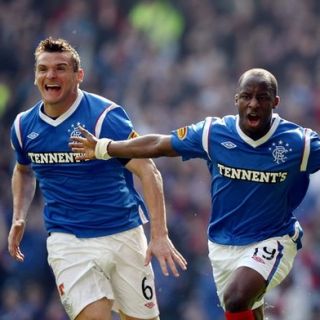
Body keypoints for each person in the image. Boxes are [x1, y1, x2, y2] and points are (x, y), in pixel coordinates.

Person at [70, 68, 320, 320]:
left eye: (262, 97)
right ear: (237, 100)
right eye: (247, 96)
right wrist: (107, 147)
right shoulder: (214, 133)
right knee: (243, 308)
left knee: (237, 297)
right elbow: (159, 144)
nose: (254, 103)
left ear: (275, 102)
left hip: (275, 239)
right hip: (222, 244)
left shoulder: (296, 143)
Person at [8, 37, 187, 320]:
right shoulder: (22, 127)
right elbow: (23, 170)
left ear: (79, 76)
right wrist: (19, 215)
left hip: (123, 233)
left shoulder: (105, 117)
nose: (50, 75)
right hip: (68, 241)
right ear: (35, 76)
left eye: (60, 68)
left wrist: (160, 234)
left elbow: (147, 170)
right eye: (43, 69)